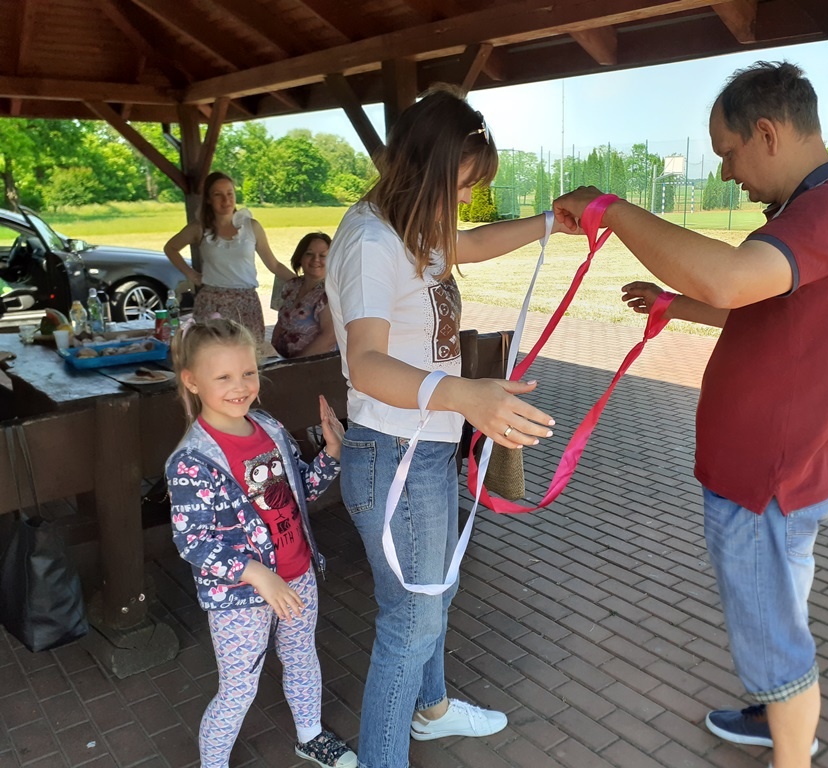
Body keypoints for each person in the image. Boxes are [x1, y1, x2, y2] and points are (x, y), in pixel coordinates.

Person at [553, 61, 828, 768]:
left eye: (729, 153)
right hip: (781, 476)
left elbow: (731, 280)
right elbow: (765, 309)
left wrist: (611, 210)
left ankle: (789, 738)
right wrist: (677, 305)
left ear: (767, 133)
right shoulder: (816, 212)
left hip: (766, 483)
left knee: (775, 644)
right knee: (778, 620)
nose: (728, 173)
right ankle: (775, 717)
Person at [325, 83, 575, 768]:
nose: (467, 198)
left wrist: (551, 223)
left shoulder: (411, 227)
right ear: (426, 167)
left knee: (436, 594)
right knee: (411, 620)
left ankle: (430, 710)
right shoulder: (372, 240)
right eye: (462, 184)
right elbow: (366, 363)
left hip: (422, 451)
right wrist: (465, 395)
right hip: (393, 454)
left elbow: (469, 245)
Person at [165, 317, 356, 768]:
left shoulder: (268, 427)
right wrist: (257, 574)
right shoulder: (192, 462)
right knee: (239, 688)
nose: (240, 386)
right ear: (191, 381)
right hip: (241, 597)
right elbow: (193, 542)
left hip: (297, 574)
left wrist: (331, 453)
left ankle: (310, 736)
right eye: (223, 377)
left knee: (301, 656)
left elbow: (300, 491)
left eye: (248, 372)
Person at [164, 172, 295, 342]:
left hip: (246, 304)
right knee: (211, 351)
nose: (225, 200)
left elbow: (274, 265)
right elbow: (171, 248)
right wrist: (192, 275)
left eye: (229, 193)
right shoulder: (200, 228)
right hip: (212, 302)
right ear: (208, 199)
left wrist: (303, 283)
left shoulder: (251, 227)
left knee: (248, 352)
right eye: (218, 194)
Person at [271, 232, 337, 358]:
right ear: (300, 258)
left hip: (312, 364)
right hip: (282, 360)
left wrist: (295, 363)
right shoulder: (292, 286)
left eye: (322, 255)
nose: (316, 259)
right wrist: (273, 351)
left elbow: (330, 337)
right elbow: (281, 322)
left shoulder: (329, 293)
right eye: (309, 254)